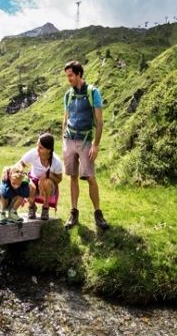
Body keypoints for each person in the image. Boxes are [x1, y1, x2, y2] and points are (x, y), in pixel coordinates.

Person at [62, 60, 110, 230]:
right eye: (67, 75)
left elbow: (99, 121)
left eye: (71, 75)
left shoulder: (93, 92)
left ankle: (98, 213)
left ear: (79, 74)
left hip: (85, 141)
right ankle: (73, 212)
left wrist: (95, 145)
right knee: (72, 176)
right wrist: (63, 139)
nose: (68, 79)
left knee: (90, 177)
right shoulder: (68, 95)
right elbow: (65, 117)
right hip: (69, 140)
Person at [18, 133, 63, 220]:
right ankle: (32, 207)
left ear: (48, 150)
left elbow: (59, 179)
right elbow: (20, 164)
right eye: (37, 146)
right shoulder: (33, 153)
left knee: (45, 182)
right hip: (33, 180)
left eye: (40, 148)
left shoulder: (56, 162)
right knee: (28, 186)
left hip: (48, 186)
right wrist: (21, 175)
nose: (37, 149)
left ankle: (45, 208)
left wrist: (49, 175)